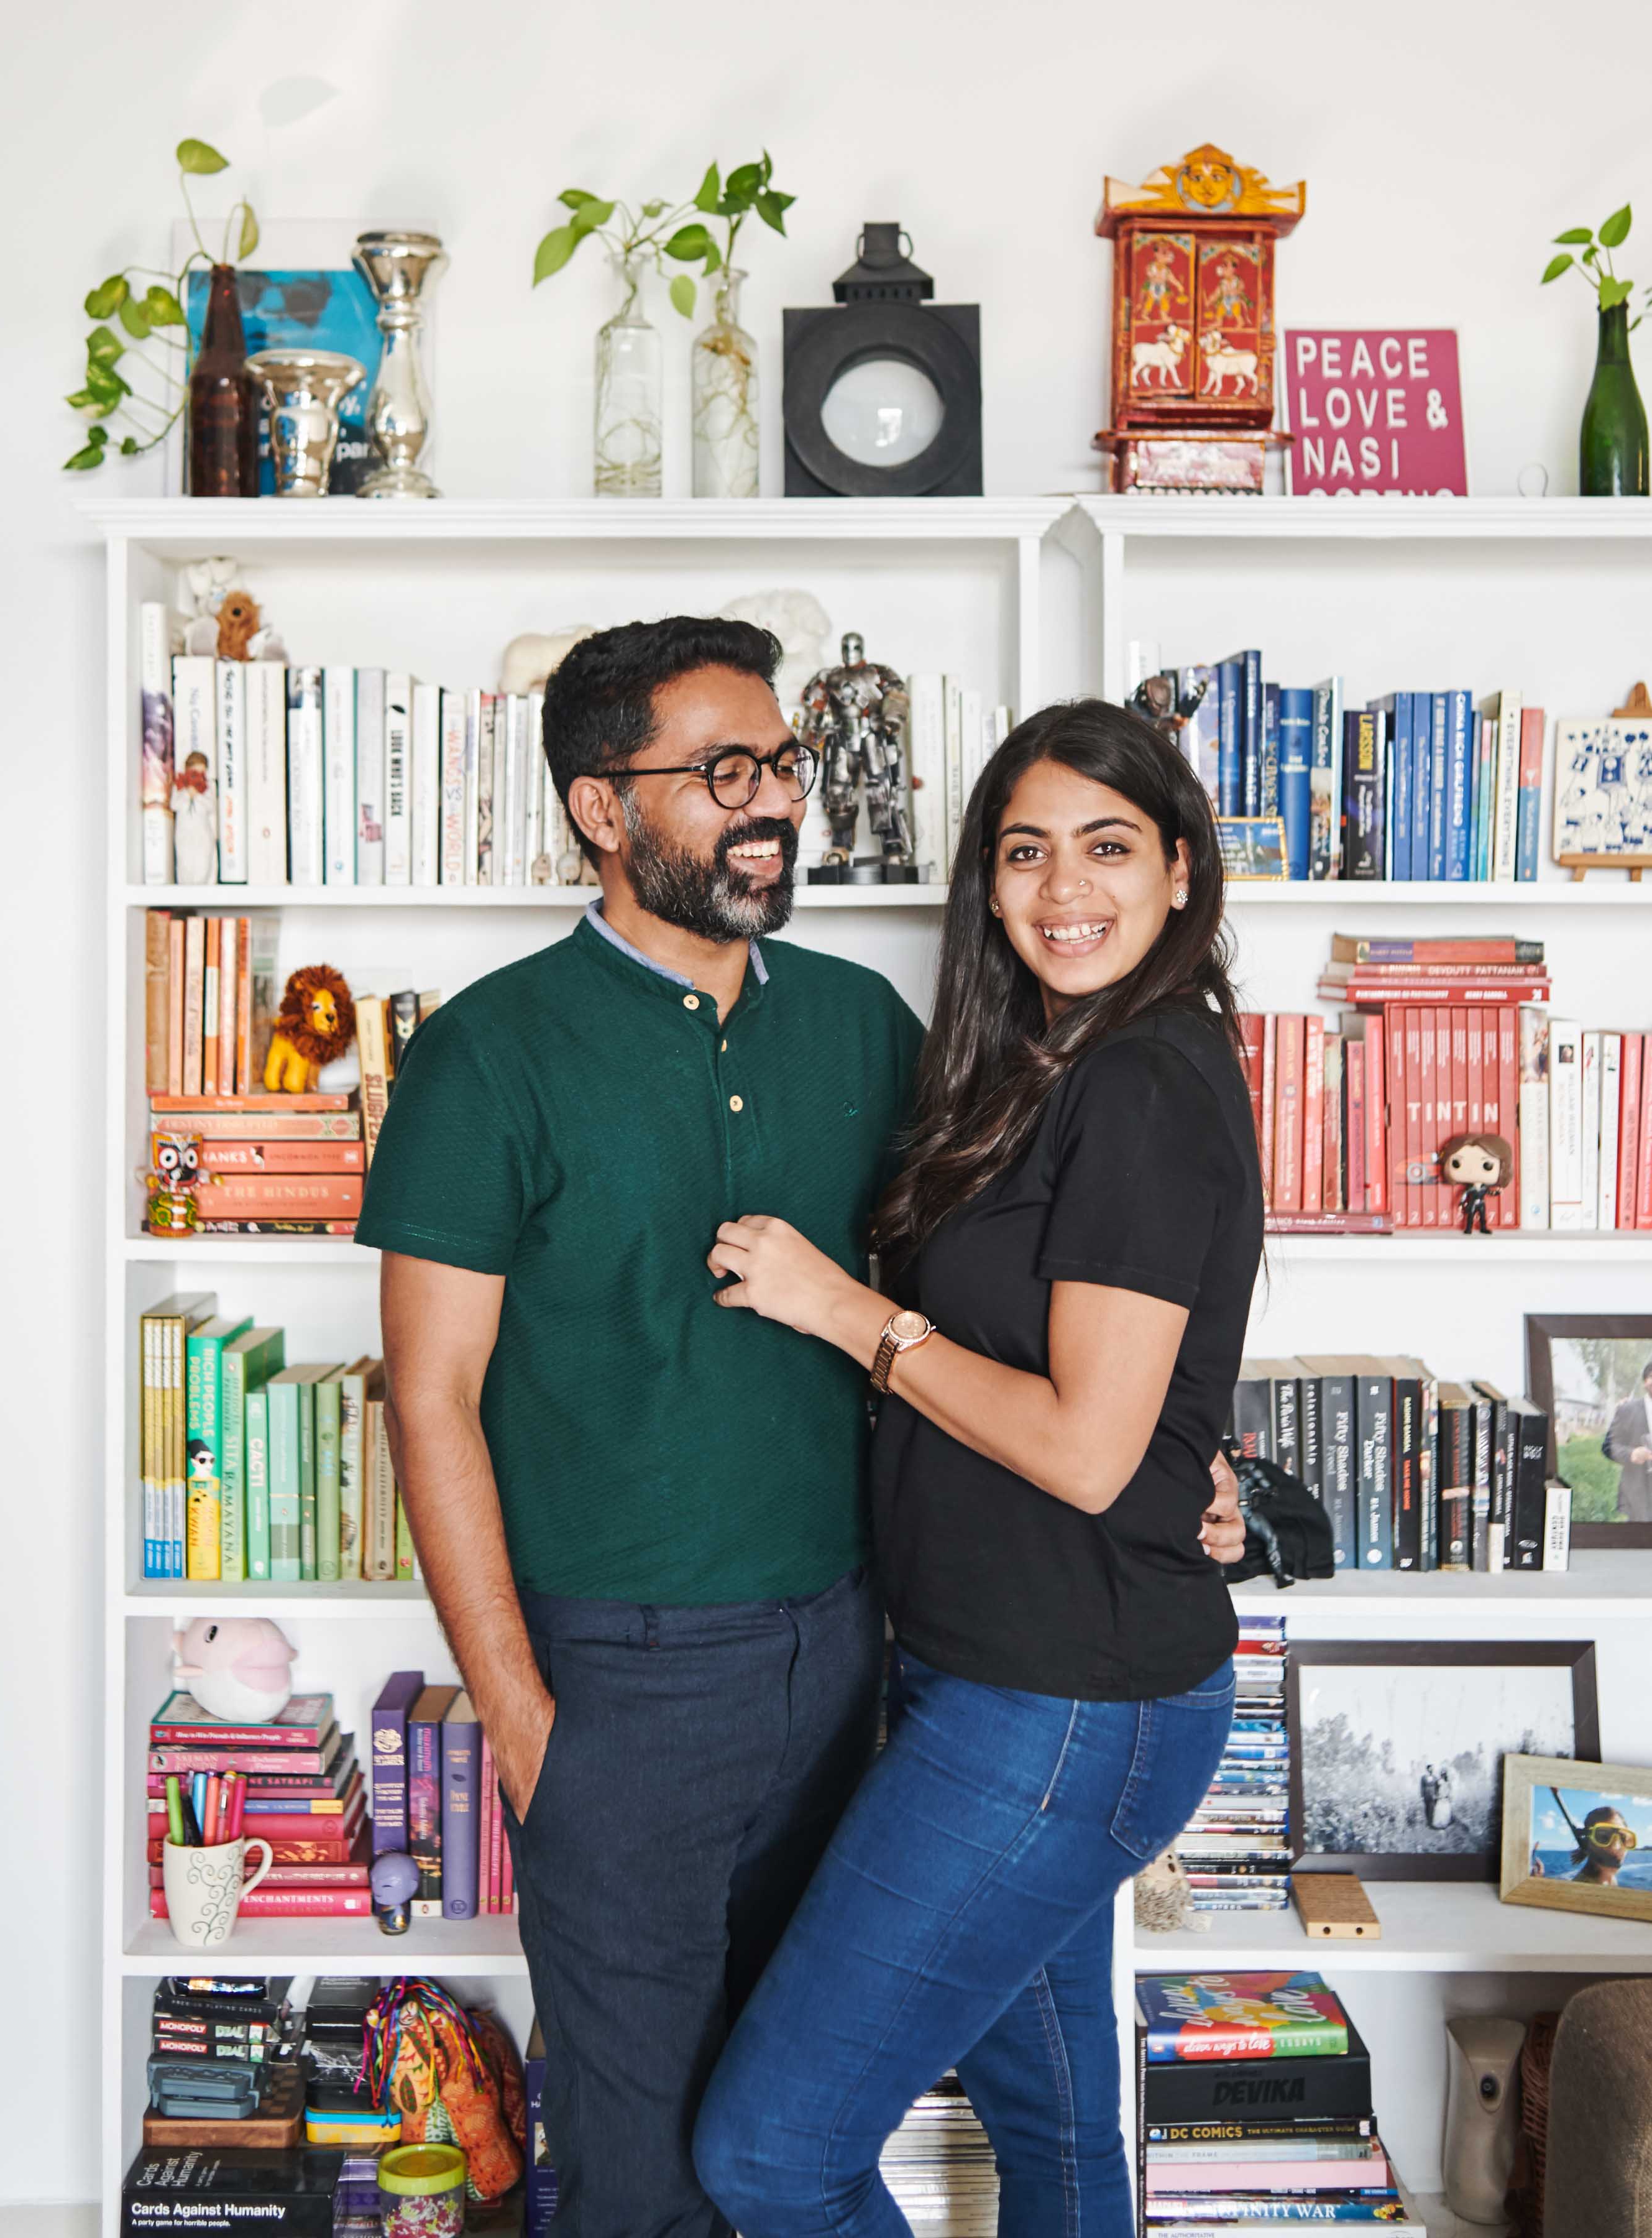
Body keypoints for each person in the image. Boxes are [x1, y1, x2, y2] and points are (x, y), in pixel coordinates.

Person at [355, 627, 1247, 2238]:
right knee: (642, 2167)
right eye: (719, 773)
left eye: (776, 764)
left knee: (779, 2122)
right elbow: (430, 1396)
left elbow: (1020, 1316)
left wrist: (1189, 1464)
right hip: (618, 1681)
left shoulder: (866, 1029)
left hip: (859, 1661)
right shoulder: (486, 1052)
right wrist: (518, 1719)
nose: (767, 803)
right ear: (600, 810)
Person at [692, 696, 1266, 2238]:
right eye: (1023, 852)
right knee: (1057, 2125)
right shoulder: (1047, 1061)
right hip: (1001, 1676)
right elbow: (1132, 1378)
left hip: (1062, 1706)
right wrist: (1198, 1461)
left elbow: (1084, 1448)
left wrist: (849, 1313)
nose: (1059, 888)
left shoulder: (1143, 1077)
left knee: (768, 2156)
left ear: (1179, 873)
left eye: (1104, 847)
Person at [1602, 1358, 1652, 1522]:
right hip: (1639, 1493)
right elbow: (1608, 1446)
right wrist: (1631, 1454)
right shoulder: (1627, 1410)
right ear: (1646, 1382)